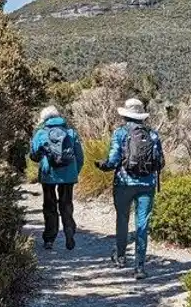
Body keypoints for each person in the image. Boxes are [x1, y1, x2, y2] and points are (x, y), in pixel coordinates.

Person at [96, 97, 165, 279]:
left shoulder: (120, 133)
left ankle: (120, 257)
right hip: (147, 185)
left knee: (122, 219)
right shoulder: (153, 135)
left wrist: (103, 165)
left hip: (124, 184)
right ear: (142, 116)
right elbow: (161, 162)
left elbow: (113, 160)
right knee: (142, 224)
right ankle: (140, 267)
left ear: (126, 115)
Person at [29, 106, 84, 251]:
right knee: (66, 204)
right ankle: (69, 232)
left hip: (49, 175)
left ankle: (49, 239)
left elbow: (33, 155)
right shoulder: (71, 133)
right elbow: (80, 156)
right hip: (68, 176)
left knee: (49, 206)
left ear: (44, 119)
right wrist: (74, 172)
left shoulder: (41, 133)